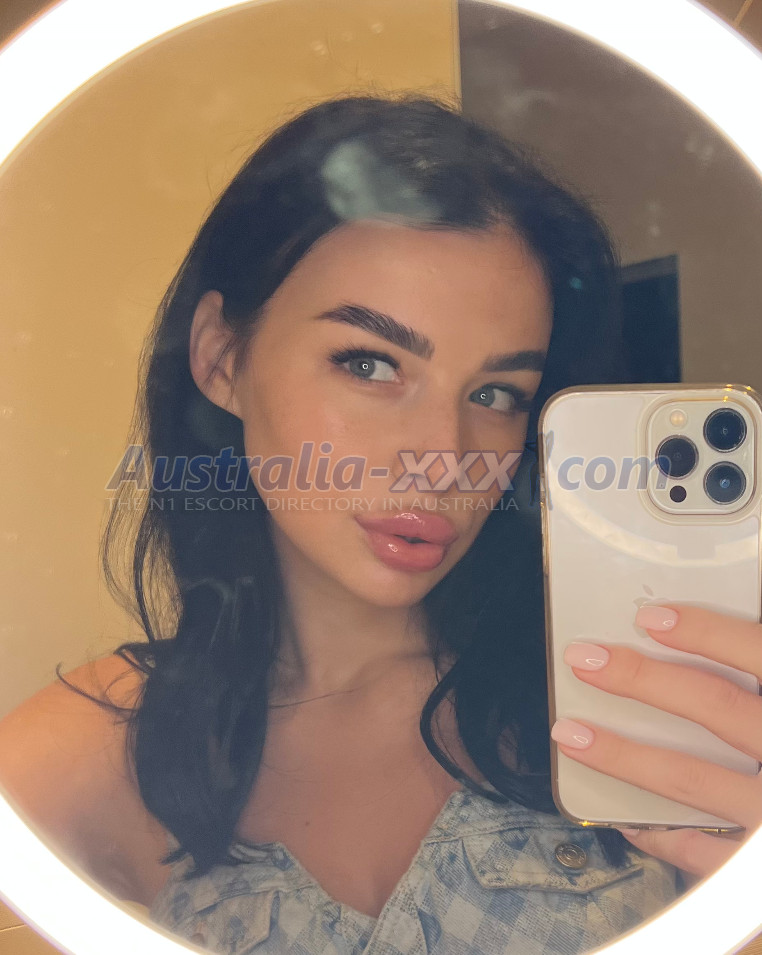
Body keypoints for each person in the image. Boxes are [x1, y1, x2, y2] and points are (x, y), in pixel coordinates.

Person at [0, 94, 759, 955]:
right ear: (220, 357)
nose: (445, 457)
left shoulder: (622, 694)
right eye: (369, 363)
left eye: (497, 392)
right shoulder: (93, 756)